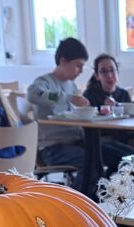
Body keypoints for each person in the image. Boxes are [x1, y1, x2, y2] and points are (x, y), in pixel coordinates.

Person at [26, 37, 90, 169]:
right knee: (89, 160)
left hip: (74, 142)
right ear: (63, 61)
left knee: (111, 154)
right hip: (52, 147)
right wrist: (68, 98)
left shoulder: (71, 85)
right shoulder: (45, 82)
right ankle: (78, 190)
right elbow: (33, 93)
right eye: (78, 65)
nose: (81, 71)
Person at [82, 54, 134, 174]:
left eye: (112, 70)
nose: (109, 75)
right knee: (129, 156)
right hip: (99, 142)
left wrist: (132, 139)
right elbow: (88, 123)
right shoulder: (90, 95)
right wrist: (105, 110)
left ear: (117, 72)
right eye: (103, 72)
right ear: (97, 76)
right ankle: (115, 188)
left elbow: (130, 123)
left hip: (122, 140)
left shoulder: (123, 94)